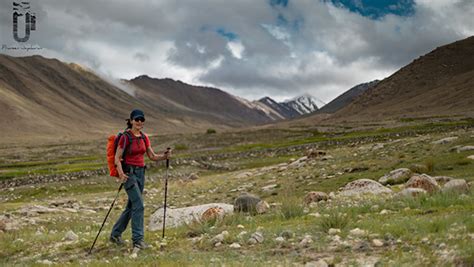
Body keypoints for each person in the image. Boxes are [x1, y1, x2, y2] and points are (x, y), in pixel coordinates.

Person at [110, 109, 170, 249]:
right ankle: (138, 240)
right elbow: (117, 158)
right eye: (137, 119)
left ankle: (115, 234)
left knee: (132, 207)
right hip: (129, 174)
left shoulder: (144, 137)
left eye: (142, 120)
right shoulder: (125, 137)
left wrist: (165, 156)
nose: (139, 122)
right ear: (131, 121)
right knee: (139, 205)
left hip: (141, 174)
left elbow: (152, 156)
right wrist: (121, 173)